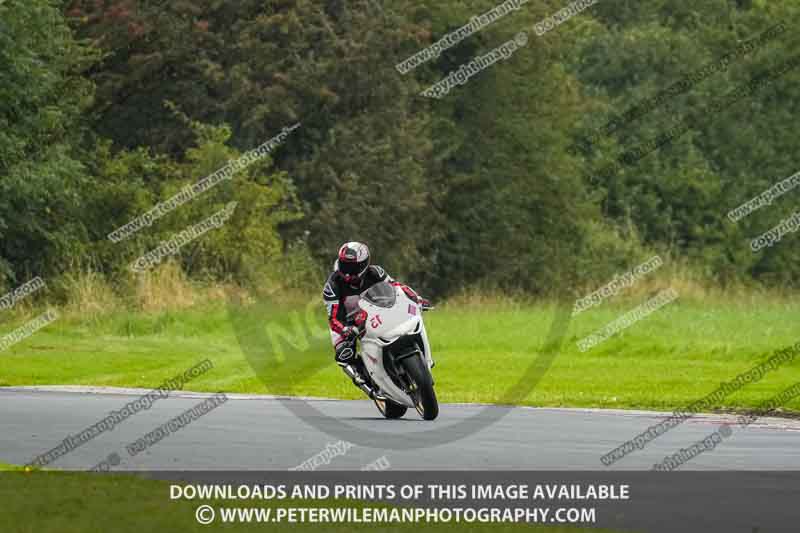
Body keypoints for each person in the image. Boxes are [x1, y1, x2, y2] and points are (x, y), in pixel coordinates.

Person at [322, 241, 431, 399]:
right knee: (344, 354)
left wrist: (417, 299)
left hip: (376, 313)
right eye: (344, 266)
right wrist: (345, 330)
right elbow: (333, 318)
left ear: (364, 265)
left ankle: (409, 363)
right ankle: (365, 380)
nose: (347, 272)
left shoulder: (376, 272)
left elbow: (397, 287)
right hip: (347, 322)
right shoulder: (332, 286)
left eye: (352, 268)